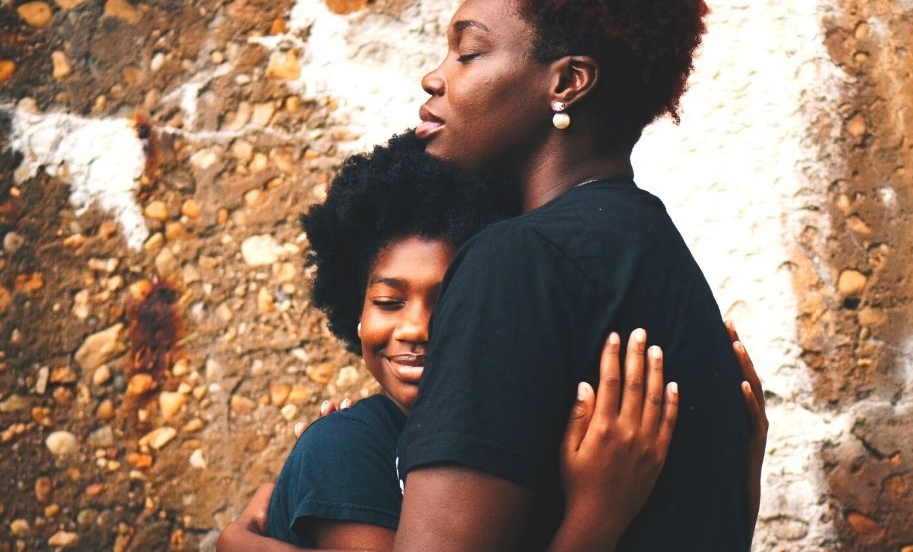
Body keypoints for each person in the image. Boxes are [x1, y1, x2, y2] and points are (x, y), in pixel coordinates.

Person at [393, 0, 760, 549]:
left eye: (469, 53)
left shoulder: (517, 262)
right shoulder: (655, 252)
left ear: (566, 83)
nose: (435, 77)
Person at [217, 134, 693, 551]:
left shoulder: (518, 442)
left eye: (450, 302)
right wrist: (597, 516)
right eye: (388, 301)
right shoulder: (347, 446)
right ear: (355, 314)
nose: (416, 328)